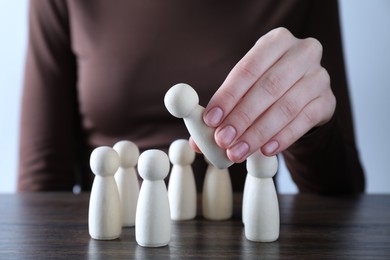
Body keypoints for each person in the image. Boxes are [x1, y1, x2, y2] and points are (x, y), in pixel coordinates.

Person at [18, 0, 365, 194]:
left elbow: (344, 192)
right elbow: (42, 183)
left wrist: (310, 132)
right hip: (112, 236)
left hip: (243, 237)